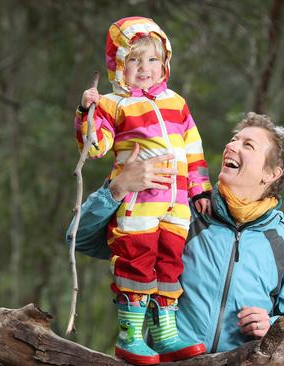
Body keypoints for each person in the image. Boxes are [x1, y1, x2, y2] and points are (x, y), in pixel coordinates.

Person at [68, 112, 284, 355]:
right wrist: (118, 188)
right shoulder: (180, 212)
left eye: (248, 145)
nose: (231, 146)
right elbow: (79, 238)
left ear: (271, 174)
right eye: (234, 139)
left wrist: (274, 326)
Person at [73, 16, 211, 365]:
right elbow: (96, 147)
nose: (144, 68)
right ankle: (130, 335)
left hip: (177, 204)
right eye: (134, 60)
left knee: (170, 262)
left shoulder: (177, 103)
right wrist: (86, 113)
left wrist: (200, 190)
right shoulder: (113, 103)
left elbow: (193, 149)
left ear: (164, 62)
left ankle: (164, 332)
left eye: (152, 59)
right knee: (137, 259)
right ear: (118, 64)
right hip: (139, 202)